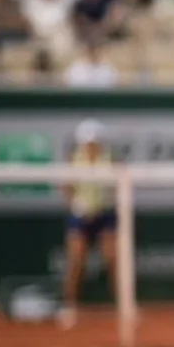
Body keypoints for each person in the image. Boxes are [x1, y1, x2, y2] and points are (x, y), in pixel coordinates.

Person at [58, 119, 118, 330]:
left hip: (105, 215)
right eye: (87, 142)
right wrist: (76, 203)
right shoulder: (73, 160)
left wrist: (109, 201)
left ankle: (123, 307)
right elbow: (65, 187)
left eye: (94, 142)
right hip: (80, 216)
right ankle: (69, 307)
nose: (91, 146)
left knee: (113, 259)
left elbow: (120, 184)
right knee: (75, 261)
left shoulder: (110, 159)